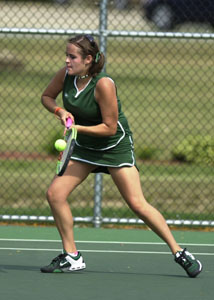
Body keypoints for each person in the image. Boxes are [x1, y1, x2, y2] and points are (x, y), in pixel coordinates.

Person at [40, 34, 202, 277]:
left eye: (72, 56)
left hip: (114, 147)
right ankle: (71, 255)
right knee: (55, 194)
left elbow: (110, 128)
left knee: (137, 204)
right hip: (85, 148)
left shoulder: (104, 84)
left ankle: (179, 252)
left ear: (88, 59)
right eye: (66, 55)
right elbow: (46, 97)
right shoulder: (65, 76)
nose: (66, 60)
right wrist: (61, 111)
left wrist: (75, 128)